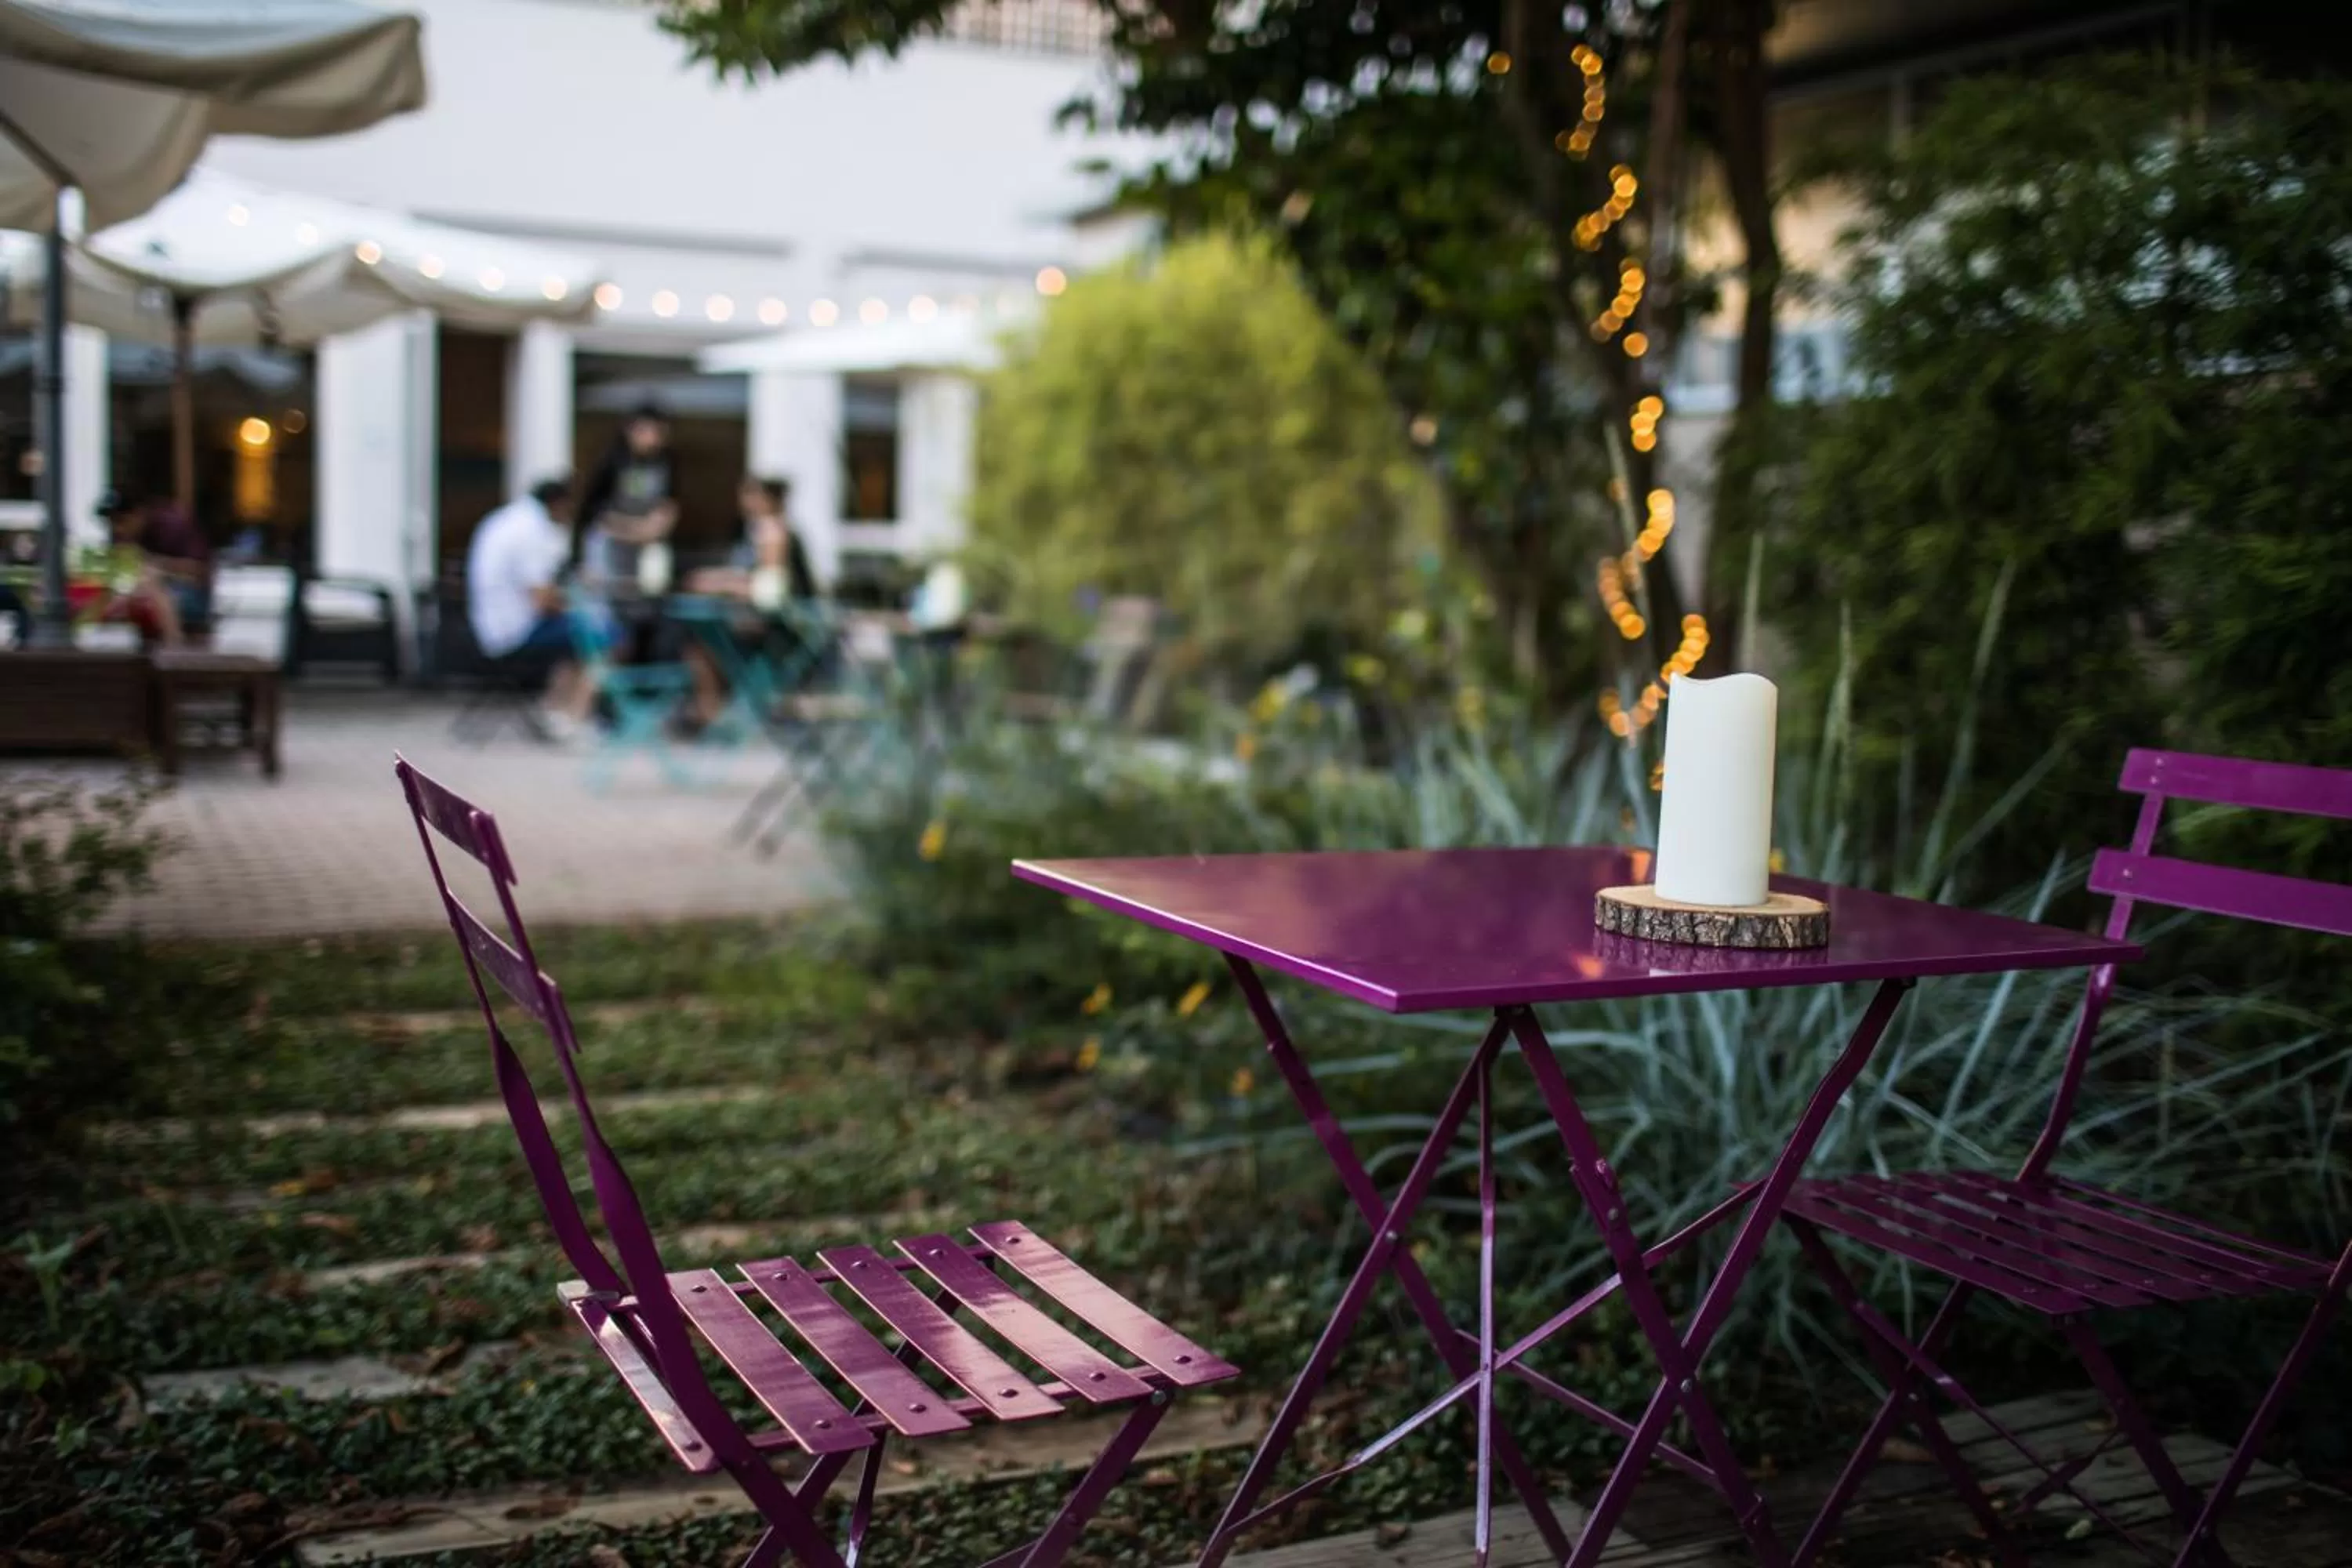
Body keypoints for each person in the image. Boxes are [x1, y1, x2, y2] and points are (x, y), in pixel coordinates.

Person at [681, 474, 818, 727]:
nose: (744, 501)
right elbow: (747, 574)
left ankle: (711, 709)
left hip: (782, 625)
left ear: (767, 499)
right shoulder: (754, 530)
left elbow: (769, 586)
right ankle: (711, 708)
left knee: (703, 641)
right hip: (761, 620)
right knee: (701, 638)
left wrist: (720, 585)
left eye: (751, 494)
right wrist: (715, 578)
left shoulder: (772, 530)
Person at [467, 476, 596, 739]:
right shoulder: (531, 531)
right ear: (558, 504)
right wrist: (577, 604)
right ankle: (572, 720)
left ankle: (554, 711)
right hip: (513, 632)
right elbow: (542, 602)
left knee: (576, 636)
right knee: (599, 635)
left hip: (491, 627)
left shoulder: (509, 519)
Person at [577, 403, 677, 601]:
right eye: (646, 432)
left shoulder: (665, 463)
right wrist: (636, 529)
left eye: (659, 433)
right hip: (611, 546)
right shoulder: (612, 462)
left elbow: (670, 503)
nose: (653, 440)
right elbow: (594, 511)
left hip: (644, 549)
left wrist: (659, 524)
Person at [94, 491, 210, 646]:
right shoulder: (126, 537)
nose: (117, 529)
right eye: (111, 523)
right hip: (152, 593)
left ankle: (175, 645)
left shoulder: (171, 524)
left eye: (120, 521)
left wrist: (160, 566)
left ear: (138, 514)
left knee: (149, 580)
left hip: (192, 593)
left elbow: (200, 570)